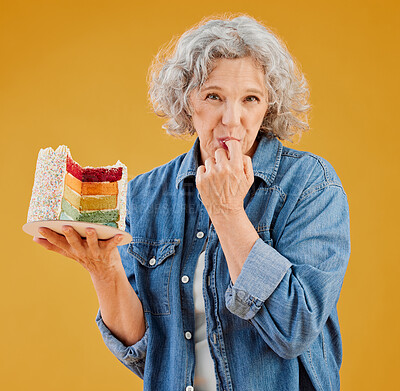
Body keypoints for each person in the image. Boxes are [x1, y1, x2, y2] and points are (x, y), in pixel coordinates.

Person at [35, 15, 351, 391]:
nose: (232, 119)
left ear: (269, 106)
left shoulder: (310, 186)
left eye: (250, 98)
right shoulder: (143, 195)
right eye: (213, 96)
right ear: (187, 102)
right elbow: (150, 352)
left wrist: (227, 211)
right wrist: (103, 269)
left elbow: (294, 329)